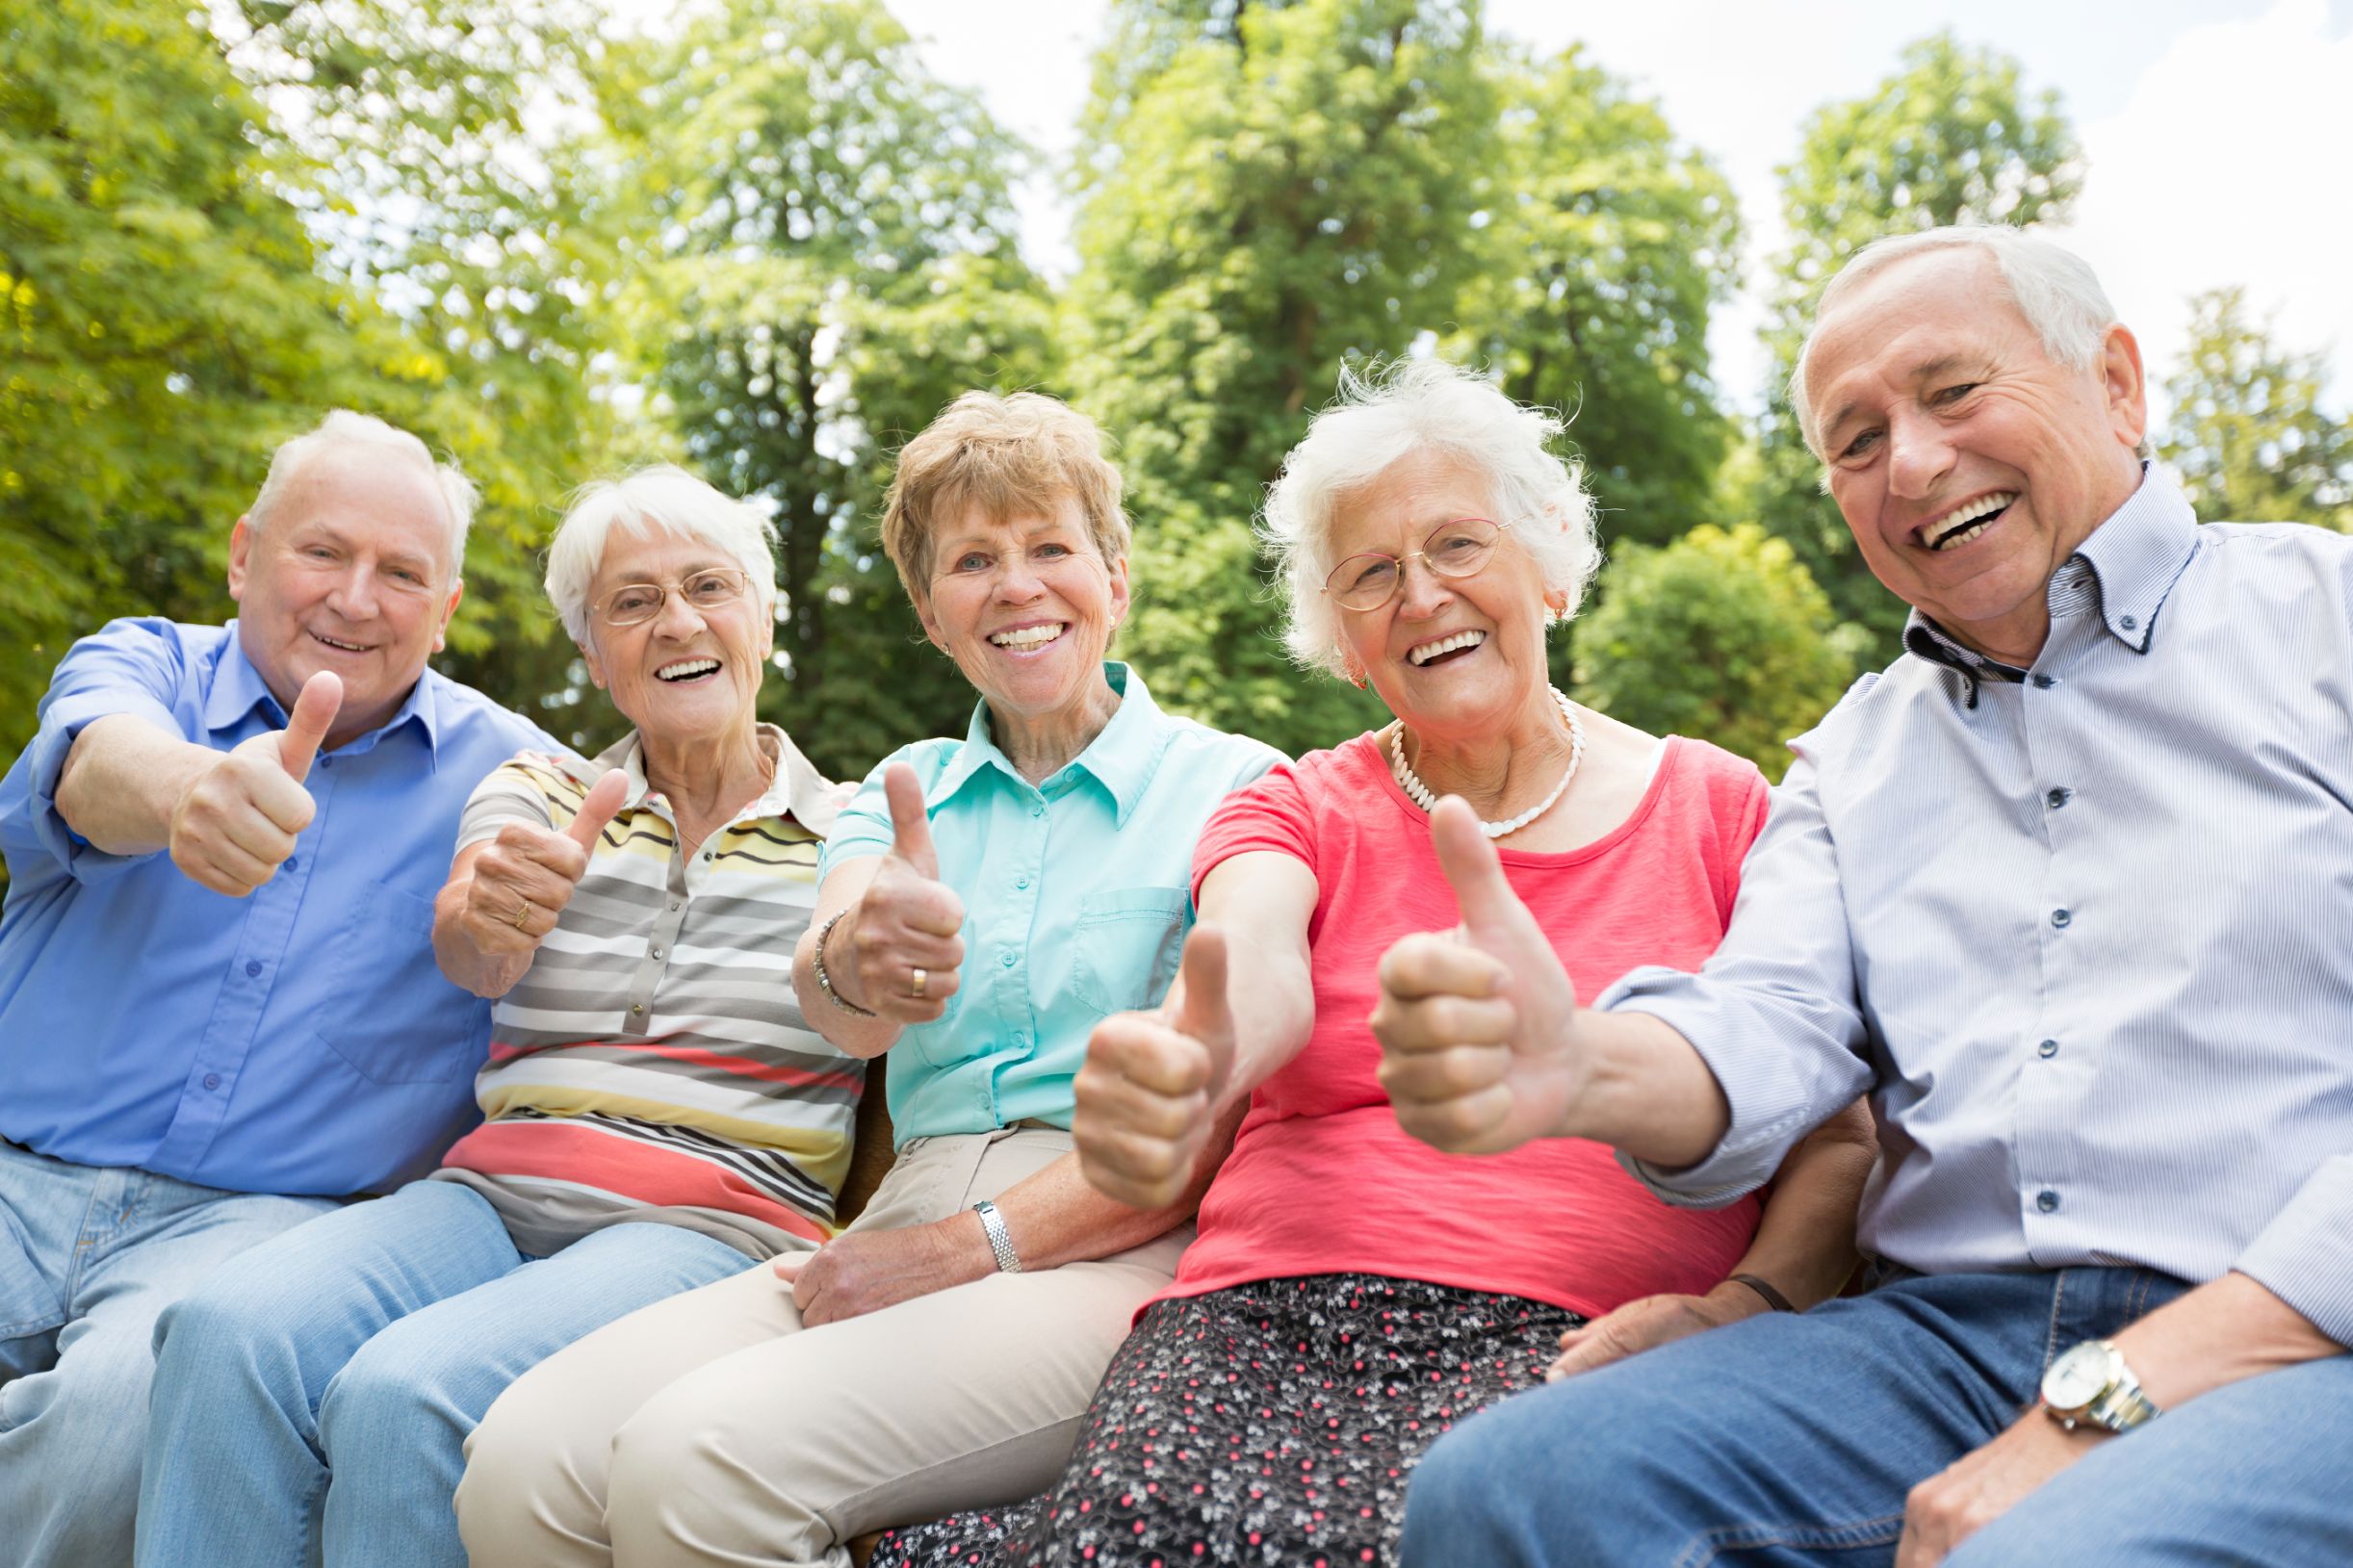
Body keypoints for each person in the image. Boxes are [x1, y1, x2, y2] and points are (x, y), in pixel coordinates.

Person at [1387, 225, 2353, 1568]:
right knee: (1510, 1489)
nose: (1910, 463)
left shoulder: (2328, 621)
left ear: (2119, 384)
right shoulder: (1850, 759)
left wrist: (2091, 1418)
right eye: (1854, 440)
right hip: (1945, 1341)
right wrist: (1583, 1063)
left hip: (2307, 1331)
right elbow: (1768, 1025)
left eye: (1954, 391)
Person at [872, 359, 1876, 1568]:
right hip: (1260, 1320)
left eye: (1457, 544)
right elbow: (1253, 969)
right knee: (1132, 1534)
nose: (1422, 596)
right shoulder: (1292, 803)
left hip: (1578, 1336)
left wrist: (1744, 1312)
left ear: (1549, 563)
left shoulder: (1723, 808)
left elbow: (1836, 1133)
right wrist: (1200, 1051)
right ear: (1341, 639)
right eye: (1371, 575)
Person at [454, 390, 1284, 1568]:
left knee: (702, 1462)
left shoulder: (1236, 785)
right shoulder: (906, 788)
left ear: (1116, 576)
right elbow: (830, 989)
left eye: (1051, 548)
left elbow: (1213, 1108)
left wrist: (961, 1251)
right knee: (526, 1458)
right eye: (972, 561)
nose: (1016, 586)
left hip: (1119, 1244)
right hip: (909, 1206)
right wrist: (861, 960)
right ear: (931, 614)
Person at [127, 467, 856, 1566]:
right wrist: (491, 912)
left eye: (709, 586)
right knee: (225, 1331)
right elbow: (474, 944)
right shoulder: (541, 790)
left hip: (707, 1226)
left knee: (406, 1393)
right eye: (631, 602)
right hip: (487, 1196)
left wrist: (877, 970)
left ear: (762, 615)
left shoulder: (857, 828)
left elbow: (868, 1004)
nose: (677, 622)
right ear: (592, 657)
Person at [0, 411, 553, 1567]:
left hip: (247, 1226)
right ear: (245, 553)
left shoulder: (515, 776)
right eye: (322, 552)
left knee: (117, 1427)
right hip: (17, 1174)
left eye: (402, 573)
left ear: (444, 615)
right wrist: (189, 791)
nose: (356, 598)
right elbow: (96, 764)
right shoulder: (143, 663)